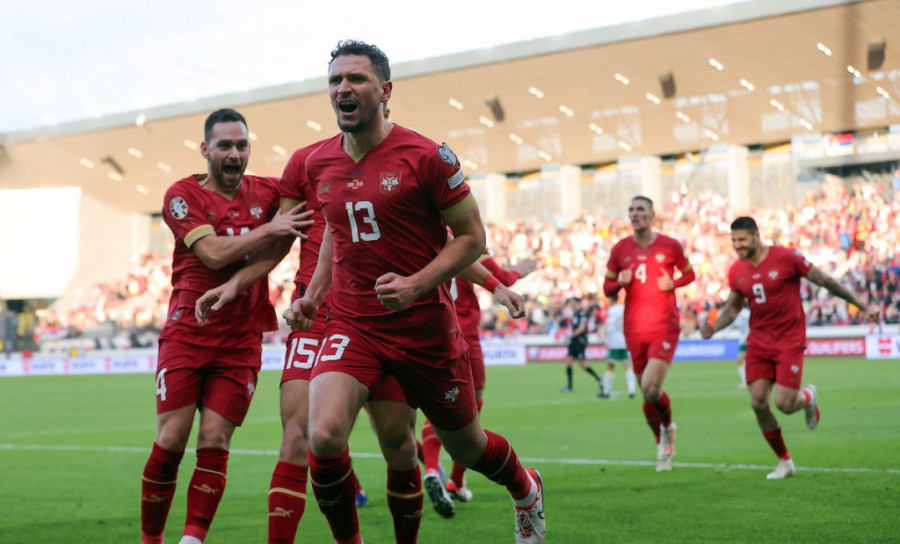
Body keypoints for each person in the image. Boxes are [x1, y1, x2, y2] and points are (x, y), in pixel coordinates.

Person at [289, 40, 545, 544]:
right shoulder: (318, 163)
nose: (343, 88)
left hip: (423, 330)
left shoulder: (427, 156)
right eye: (336, 80)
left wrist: (416, 284)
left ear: (385, 91)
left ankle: (525, 487)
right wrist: (314, 296)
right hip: (354, 324)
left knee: (468, 448)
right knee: (322, 434)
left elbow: (472, 238)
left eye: (356, 78)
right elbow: (336, 232)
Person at [195, 133, 423, 544]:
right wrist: (236, 283)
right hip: (314, 311)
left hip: (379, 314)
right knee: (298, 437)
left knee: (400, 445)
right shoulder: (306, 161)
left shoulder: (404, 156)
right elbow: (280, 241)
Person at [139, 108, 314, 544]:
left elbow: (290, 229)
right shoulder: (182, 195)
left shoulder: (268, 192)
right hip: (188, 331)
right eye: (224, 146)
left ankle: (192, 539)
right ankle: (151, 539)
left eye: (241, 145)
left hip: (240, 339)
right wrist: (271, 228)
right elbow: (214, 254)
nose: (234, 154)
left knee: (216, 440)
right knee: (172, 437)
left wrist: (245, 275)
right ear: (205, 149)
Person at [700, 216, 879, 479]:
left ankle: (807, 397)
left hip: (788, 340)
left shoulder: (786, 258)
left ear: (756, 235)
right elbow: (732, 308)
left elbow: (825, 281)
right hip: (758, 341)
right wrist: (714, 328)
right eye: (733, 240)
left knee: (784, 404)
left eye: (742, 240)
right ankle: (784, 461)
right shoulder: (737, 270)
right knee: (758, 403)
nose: (737, 245)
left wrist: (862, 306)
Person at [421, 251, 537, 517]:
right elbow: (502, 278)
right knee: (470, 403)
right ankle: (456, 480)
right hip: (464, 334)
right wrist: (518, 271)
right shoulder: (466, 242)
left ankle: (432, 469)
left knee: (439, 403)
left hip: (433, 332)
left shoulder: (424, 238)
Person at [603, 195, 696, 472]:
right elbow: (607, 288)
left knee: (650, 387)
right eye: (631, 210)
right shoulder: (620, 249)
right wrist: (620, 283)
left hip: (664, 326)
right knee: (647, 395)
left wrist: (674, 282)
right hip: (634, 329)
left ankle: (668, 428)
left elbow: (690, 275)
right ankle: (661, 439)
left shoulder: (670, 246)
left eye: (640, 209)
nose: (635, 213)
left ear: (652, 215)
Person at [560, 296, 603, 394]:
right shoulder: (574, 314)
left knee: (583, 365)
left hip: (580, 341)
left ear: (577, 303)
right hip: (574, 341)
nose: (571, 305)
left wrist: (571, 335)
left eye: (572, 303)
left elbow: (582, 328)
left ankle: (598, 378)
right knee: (569, 361)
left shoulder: (582, 313)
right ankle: (569, 386)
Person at [600, 294, 637, 399]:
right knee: (628, 365)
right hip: (625, 340)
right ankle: (631, 390)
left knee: (610, 366)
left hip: (615, 341)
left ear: (612, 300)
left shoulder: (612, 310)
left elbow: (610, 327)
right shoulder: (624, 308)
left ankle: (606, 391)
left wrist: (607, 340)